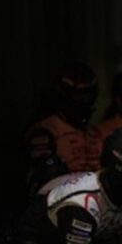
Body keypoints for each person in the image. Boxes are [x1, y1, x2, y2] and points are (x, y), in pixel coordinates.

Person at [25, 62, 103, 193]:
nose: (84, 102)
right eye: (79, 96)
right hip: (58, 199)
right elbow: (37, 177)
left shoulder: (94, 132)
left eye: (87, 95)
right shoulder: (45, 131)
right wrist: (65, 168)